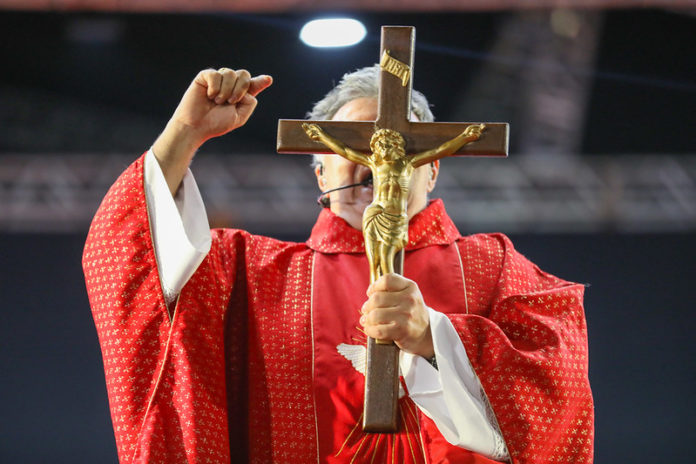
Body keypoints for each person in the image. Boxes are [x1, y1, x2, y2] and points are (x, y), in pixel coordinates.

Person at [83, 65, 594, 464]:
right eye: (354, 143)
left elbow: (557, 387)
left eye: (403, 147)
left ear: (433, 169)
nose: (377, 156)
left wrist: (435, 338)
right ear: (320, 170)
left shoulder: (496, 266)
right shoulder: (245, 272)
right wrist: (184, 133)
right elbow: (130, 257)